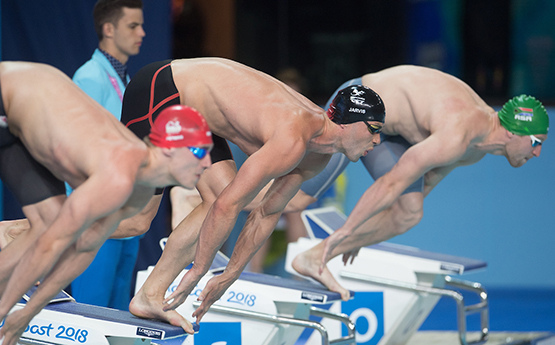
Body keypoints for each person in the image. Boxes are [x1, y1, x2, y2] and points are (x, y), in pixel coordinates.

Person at [117, 57, 385, 333]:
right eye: (373, 129)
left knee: (217, 196)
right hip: (164, 88)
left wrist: (230, 275)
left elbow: (268, 211)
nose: (377, 141)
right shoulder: (294, 137)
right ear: (348, 123)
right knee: (136, 221)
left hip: (196, 111)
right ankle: (72, 218)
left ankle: (150, 295)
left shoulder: (317, 157)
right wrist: (198, 270)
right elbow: (229, 206)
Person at [288, 65, 549, 300]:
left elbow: (419, 188)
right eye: (536, 143)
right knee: (298, 198)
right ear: (515, 131)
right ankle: (248, 199)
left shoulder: (474, 150)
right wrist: (347, 232)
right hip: (360, 105)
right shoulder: (458, 134)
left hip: (389, 131)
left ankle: (314, 258)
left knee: (409, 212)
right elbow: (390, 184)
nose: (537, 153)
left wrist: (357, 238)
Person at [0, 61, 212, 345]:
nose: (208, 162)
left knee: (49, 221)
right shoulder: (118, 174)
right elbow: (53, 244)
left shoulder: (139, 191)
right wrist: (14, 313)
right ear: (170, 150)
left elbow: (84, 247)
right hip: (8, 93)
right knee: (48, 230)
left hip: (21, 118)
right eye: (200, 151)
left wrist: (29, 311)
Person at [70, 0, 145, 310]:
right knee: (92, 310)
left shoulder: (126, 80)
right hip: (98, 215)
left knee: (117, 313)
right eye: (133, 26)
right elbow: (75, 151)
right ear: (108, 29)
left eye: (141, 25)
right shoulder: (89, 77)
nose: (142, 32)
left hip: (127, 215)